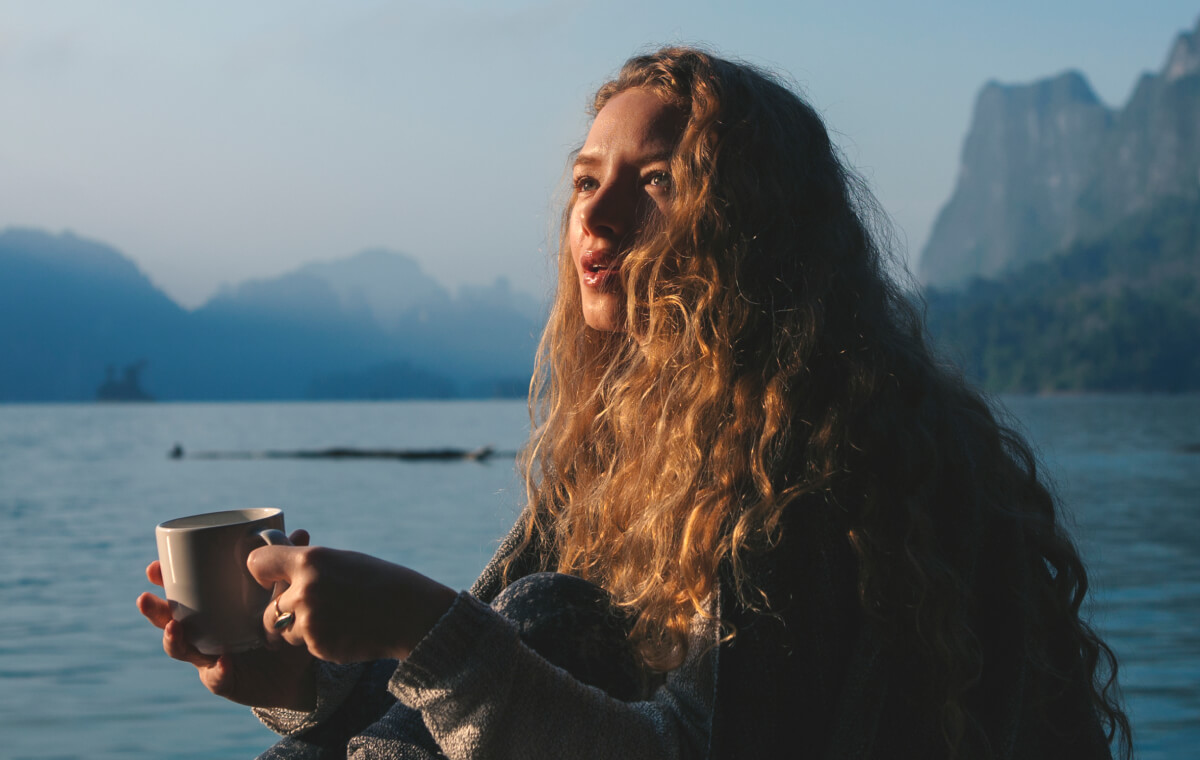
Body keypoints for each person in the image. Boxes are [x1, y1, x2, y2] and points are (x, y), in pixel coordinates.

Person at [137, 47, 1131, 759]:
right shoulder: (609, 455)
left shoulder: (836, 479)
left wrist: (416, 616)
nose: (596, 216)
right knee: (538, 618)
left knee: (546, 617)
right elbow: (469, 707)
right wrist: (303, 685)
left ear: (748, 229)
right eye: (585, 179)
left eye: (652, 182)